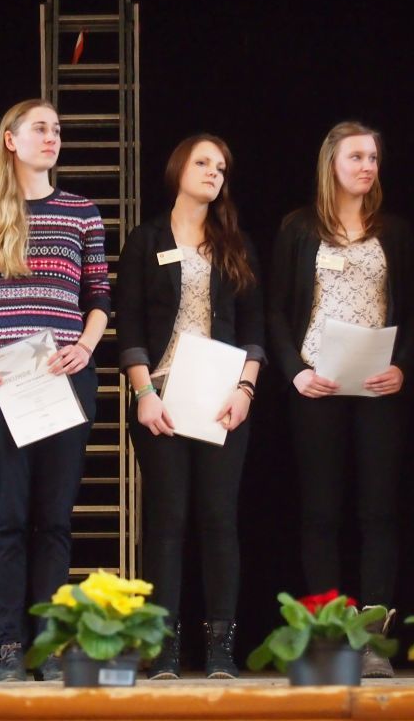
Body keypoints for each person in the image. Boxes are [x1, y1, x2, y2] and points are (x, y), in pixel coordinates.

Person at [0, 99, 110, 682]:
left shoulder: (82, 212)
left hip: (64, 377)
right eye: (40, 128)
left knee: (54, 519)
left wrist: (86, 347)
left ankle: (47, 645)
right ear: (10, 139)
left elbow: (99, 298)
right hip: (1, 382)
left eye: (57, 130)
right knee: (8, 518)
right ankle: (10, 647)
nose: (52, 137)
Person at [267, 122, 414, 678]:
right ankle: (330, 634)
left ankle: (374, 638)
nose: (367, 167)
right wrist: (295, 373)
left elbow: (413, 309)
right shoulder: (298, 228)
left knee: (378, 511)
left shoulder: (395, 230)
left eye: (373, 158)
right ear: (331, 162)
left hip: (378, 385)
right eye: (356, 157)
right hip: (318, 383)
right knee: (321, 512)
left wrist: (403, 367)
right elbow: (276, 310)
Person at [117, 134, 264, 680]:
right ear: (178, 168)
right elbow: (129, 324)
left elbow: (254, 326)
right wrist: (143, 394)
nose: (212, 173)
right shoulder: (146, 239)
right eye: (203, 163)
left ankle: (221, 645)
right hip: (161, 397)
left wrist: (245, 390)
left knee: (219, 518)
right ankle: (163, 649)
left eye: (220, 167)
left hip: (222, 397)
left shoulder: (235, 243)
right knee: (167, 519)